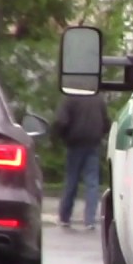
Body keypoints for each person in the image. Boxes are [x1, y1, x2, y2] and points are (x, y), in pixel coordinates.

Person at [53, 93, 110, 230]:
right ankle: (89, 220)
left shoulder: (69, 98)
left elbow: (61, 121)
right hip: (93, 143)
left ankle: (65, 217)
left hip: (74, 143)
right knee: (92, 183)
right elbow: (106, 122)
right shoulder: (98, 98)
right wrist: (100, 135)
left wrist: (61, 137)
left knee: (72, 180)